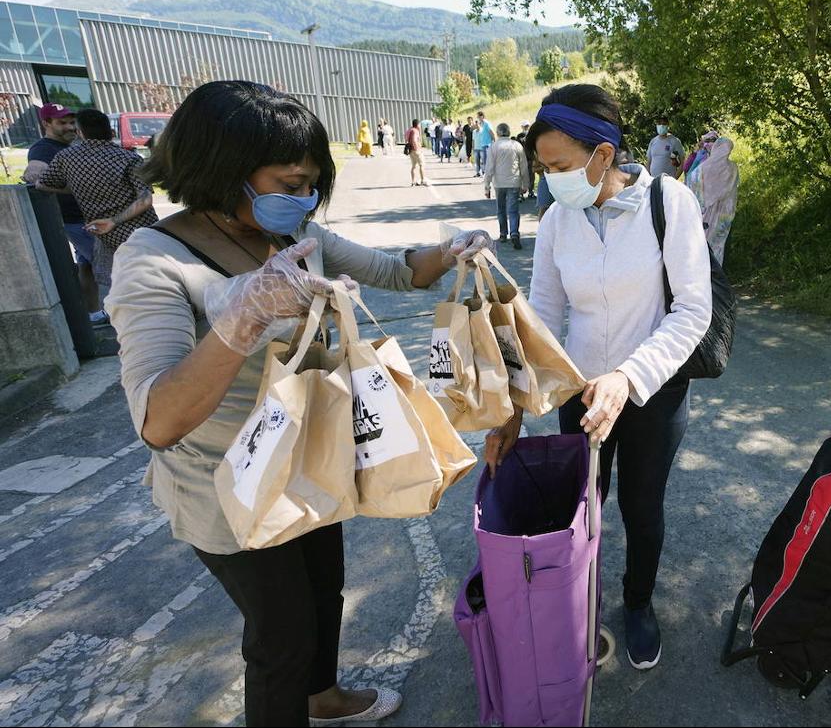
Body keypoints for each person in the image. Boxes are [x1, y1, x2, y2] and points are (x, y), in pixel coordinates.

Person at [104, 81, 492, 728]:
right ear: (222, 169)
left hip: (310, 458)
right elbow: (159, 419)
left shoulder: (291, 231)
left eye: (311, 183)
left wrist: (449, 252)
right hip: (229, 489)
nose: (304, 197)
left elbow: (396, 269)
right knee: (281, 639)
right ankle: (297, 697)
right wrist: (243, 318)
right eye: (290, 182)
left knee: (323, 593)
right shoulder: (153, 262)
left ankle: (322, 698)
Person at [484, 83, 712, 671]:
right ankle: (578, 596)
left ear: (603, 154)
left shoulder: (670, 202)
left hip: (653, 391)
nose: (549, 179)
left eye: (560, 165)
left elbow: (692, 311)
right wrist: (512, 409)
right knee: (581, 503)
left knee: (641, 506)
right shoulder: (560, 218)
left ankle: (638, 603)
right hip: (580, 391)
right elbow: (540, 320)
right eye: (544, 167)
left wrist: (630, 376)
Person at [36, 108, 158, 289]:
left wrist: (73, 189)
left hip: (105, 235)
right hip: (142, 231)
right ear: (111, 133)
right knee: (155, 278)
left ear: (80, 132)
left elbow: (41, 184)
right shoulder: (130, 158)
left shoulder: (66, 158)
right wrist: (114, 220)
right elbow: (145, 200)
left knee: (121, 284)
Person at [22, 103, 106, 324]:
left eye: (72, 122)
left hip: (88, 216)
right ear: (46, 124)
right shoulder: (43, 148)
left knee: (86, 266)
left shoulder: (74, 146)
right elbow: (34, 172)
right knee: (113, 265)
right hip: (76, 220)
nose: (69, 127)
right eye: (62, 123)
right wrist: (75, 187)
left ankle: (94, 314)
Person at [481, 122, 530, 250]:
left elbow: (489, 168)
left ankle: (503, 234)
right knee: (513, 210)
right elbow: (523, 166)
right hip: (514, 182)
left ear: (497, 133)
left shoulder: (494, 147)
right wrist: (526, 184)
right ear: (508, 132)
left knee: (501, 210)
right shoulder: (516, 145)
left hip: (499, 183)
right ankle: (514, 233)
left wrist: (487, 187)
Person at [693, 137, 739, 265]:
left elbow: (692, 183)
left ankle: (702, 269)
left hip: (705, 212)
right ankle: (718, 271)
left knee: (703, 241)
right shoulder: (733, 168)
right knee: (720, 242)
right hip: (725, 213)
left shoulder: (703, 168)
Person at [515, 121, 536, 198]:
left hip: (530, 157)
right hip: (522, 158)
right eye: (524, 126)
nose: (526, 127)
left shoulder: (532, 135)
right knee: (521, 175)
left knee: (531, 175)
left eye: (527, 126)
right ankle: (521, 192)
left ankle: (531, 191)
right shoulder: (519, 136)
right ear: (522, 127)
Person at [405, 119, 427, 187]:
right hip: (416, 150)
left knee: (413, 166)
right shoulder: (415, 131)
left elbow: (406, 138)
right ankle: (423, 180)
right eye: (419, 124)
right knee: (421, 165)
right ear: (417, 125)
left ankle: (413, 181)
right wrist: (417, 148)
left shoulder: (409, 130)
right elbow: (414, 140)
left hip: (411, 150)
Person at [473, 111, 495, 177]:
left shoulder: (486, 123)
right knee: (484, 161)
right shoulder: (481, 123)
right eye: (477, 117)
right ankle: (486, 175)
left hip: (487, 144)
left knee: (486, 161)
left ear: (482, 116)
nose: (478, 118)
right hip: (483, 144)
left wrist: (494, 141)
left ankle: (488, 175)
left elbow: (492, 132)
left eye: (479, 116)